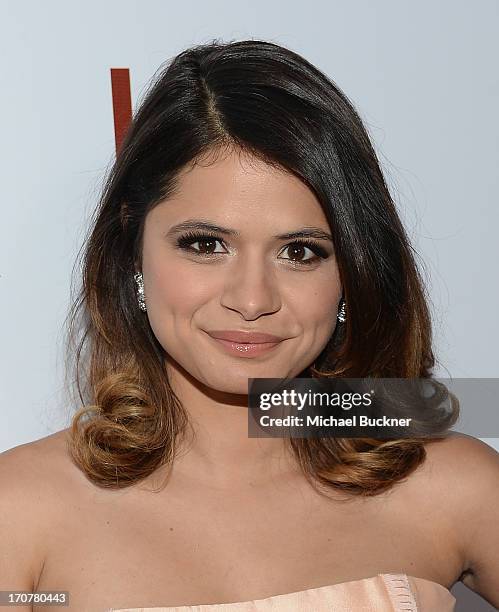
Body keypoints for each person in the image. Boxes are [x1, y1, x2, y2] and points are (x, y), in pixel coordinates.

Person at [1, 39, 498, 612]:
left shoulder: (454, 486)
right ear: (132, 247)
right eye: (206, 244)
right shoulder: (20, 512)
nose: (253, 299)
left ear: (352, 271)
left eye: (301, 253)